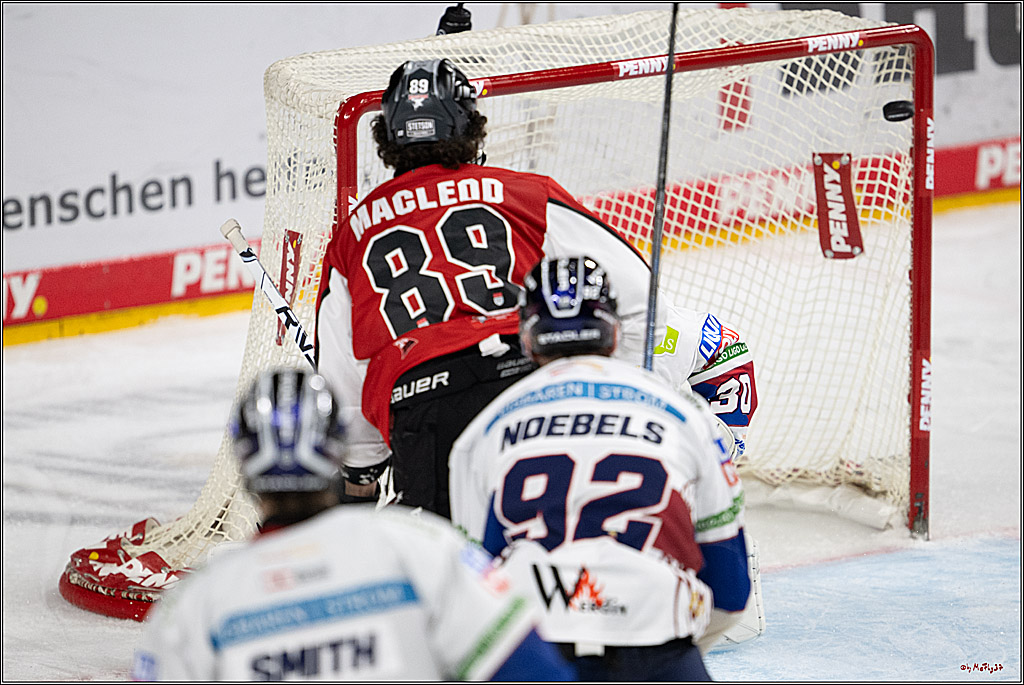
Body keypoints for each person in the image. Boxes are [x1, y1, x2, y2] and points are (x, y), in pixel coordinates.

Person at [315, 58, 758, 519]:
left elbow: (343, 373)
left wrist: (361, 475)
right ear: (472, 124)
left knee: (458, 569)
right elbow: (642, 297)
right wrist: (603, 392)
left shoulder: (353, 231)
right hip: (524, 384)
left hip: (420, 411)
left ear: (386, 136)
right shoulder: (523, 192)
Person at [130, 368, 575, 682]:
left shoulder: (194, 605)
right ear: (338, 447)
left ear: (243, 459)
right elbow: (532, 670)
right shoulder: (420, 546)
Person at [448, 256, 752, 681]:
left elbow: (475, 592)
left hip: (539, 654)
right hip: (659, 652)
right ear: (615, 329)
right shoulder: (690, 418)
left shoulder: (479, 435)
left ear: (526, 337)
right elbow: (732, 590)